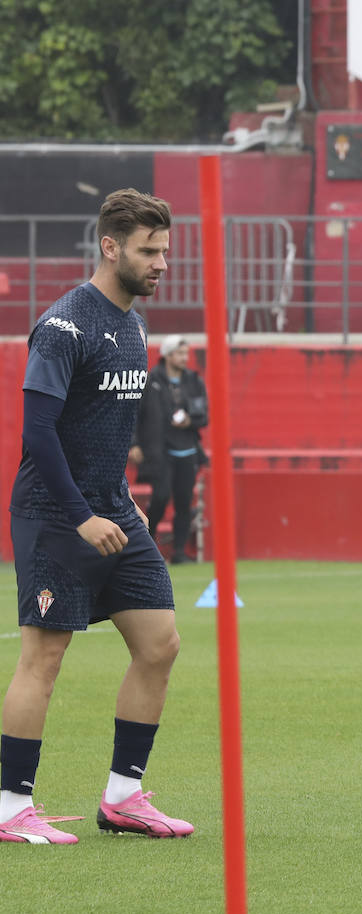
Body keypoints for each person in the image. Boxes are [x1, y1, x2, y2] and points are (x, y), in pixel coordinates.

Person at [1, 189, 193, 844]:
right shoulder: (64, 326)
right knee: (43, 659)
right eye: (149, 250)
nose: (161, 263)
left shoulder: (134, 325)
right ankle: (9, 808)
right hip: (57, 516)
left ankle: (123, 797)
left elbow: (103, 426)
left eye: (165, 250)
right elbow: (39, 433)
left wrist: (116, 498)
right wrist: (81, 515)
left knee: (160, 643)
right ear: (110, 247)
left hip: (113, 512)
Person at [131, 335, 208, 564]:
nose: (185, 358)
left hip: (186, 450)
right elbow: (134, 414)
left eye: (186, 353)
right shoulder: (150, 380)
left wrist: (189, 421)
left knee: (184, 502)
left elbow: (203, 415)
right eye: (180, 353)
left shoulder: (194, 381)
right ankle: (147, 546)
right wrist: (134, 443)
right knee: (161, 496)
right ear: (167, 354)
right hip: (159, 450)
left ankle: (179, 552)